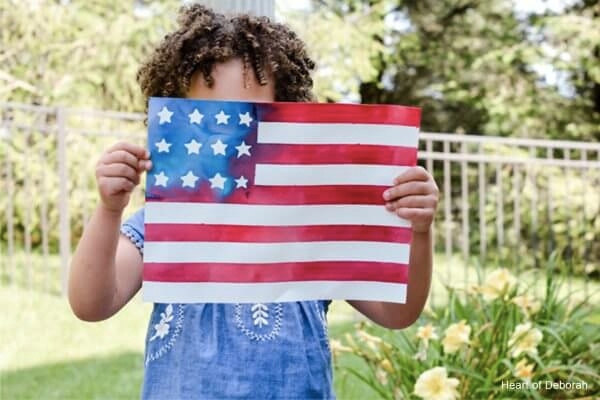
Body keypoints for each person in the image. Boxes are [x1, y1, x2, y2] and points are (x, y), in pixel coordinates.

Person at [68, 4, 439, 399]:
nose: (231, 138)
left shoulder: (315, 225)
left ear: (290, 119)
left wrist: (419, 232)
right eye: (208, 118)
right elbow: (92, 303)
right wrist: (109, 210)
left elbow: (397, 313)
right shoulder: (164, 222)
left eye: (252, 118)